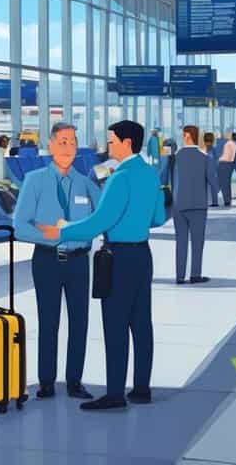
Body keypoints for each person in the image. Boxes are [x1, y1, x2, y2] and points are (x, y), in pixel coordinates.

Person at [38, 120, 165, 411]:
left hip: (118, 258)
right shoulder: (150, 174)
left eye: (111, 141)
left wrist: (63, 229)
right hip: (142, 256)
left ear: (126, 143)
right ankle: (142, 388)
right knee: (141, 322)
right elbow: (157, 218)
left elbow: (100, 221)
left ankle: (116, 394)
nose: (108, 146)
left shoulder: (120, 178)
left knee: (116, 324)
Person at [13, 122, 101, 400]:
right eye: (62, 142)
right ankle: (47, 381)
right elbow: (20, 226)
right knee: (48, 321)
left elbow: (102, 218)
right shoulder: (35, 181)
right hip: (47, 260)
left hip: (78, 262)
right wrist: (54, 236)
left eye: (73, 143)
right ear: (50, 146)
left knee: (79, 321)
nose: (68, 148)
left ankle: (74, 380)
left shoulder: (85, 183)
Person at [171, 127, 211, 285]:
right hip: (199, 206)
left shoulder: (175, 157)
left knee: (180, 241)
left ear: (187, 136)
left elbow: (166, 178)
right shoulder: (204, 157)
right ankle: (195, 275)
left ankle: (180, 276)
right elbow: (213, 181)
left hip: (179, 205)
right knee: (197, 242)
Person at [217, 132, 236, 208]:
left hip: (224, 164)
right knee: (227, 183)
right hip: (230, 164)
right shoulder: (233, 143)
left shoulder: (225, 144)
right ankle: (228, 200)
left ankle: (227, 200)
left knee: (224, 183)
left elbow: (222, 155)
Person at [203, 132, 221, 207]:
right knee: (213, 186)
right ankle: (215, 202)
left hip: (205, 169)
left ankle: (205, 201)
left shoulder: (205, 149)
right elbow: (217, 161)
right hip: (212, 169)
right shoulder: (214, 149)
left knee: (204, 186)